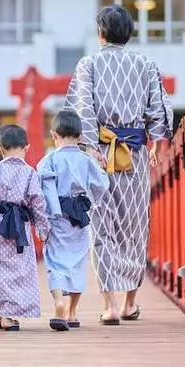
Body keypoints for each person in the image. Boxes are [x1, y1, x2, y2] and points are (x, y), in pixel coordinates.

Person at [66, 5, 173, 325]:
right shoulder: (145, 64)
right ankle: (130, 302)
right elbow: (159, 110)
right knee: (134, 224)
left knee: (102, 227)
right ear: (129, 33)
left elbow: (82, 108)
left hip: (100, 152)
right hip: (135, 153)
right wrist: (156, 142)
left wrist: (88, 148)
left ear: (99, 33)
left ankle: (109, 304)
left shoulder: (89, 64)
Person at [0, 125, 49, 331]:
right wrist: (41, 227)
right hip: (20, 225)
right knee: (18, 269)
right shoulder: (30, 173)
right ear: (27, 147)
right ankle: (9, 315)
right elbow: (38, 201)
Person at [37, 110, 109, 331]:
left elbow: (40, 187)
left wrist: (46, 215)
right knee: (77, 262)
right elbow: (102, 184)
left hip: (56, 217)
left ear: (54, 135)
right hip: (79, 217)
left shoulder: (49, 160)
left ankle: (59, 302)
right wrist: (90, 201)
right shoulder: (85, 159)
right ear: (80, 137)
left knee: (56, 262)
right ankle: (72, 312)